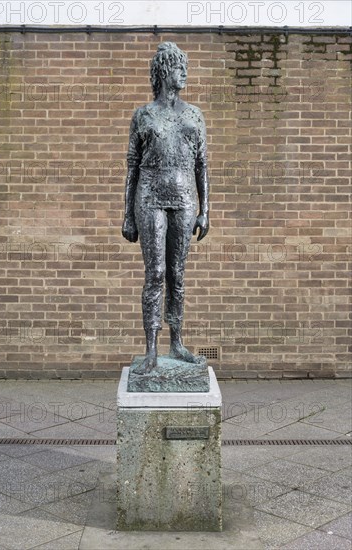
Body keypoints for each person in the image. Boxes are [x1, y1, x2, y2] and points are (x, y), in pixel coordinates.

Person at [122, 42, 209, 375]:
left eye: (184, 66)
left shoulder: (193, 115)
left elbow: (202, 164)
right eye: (177, 66)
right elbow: (132, 166)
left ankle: (177, 342)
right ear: (162, 72)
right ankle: (151, 351)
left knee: (177, 275)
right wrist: (127, 215)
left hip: (184, 199)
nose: (183, 72)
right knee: (155, 274)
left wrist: (206, 209)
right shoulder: (143, 115)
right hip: (150, 198)